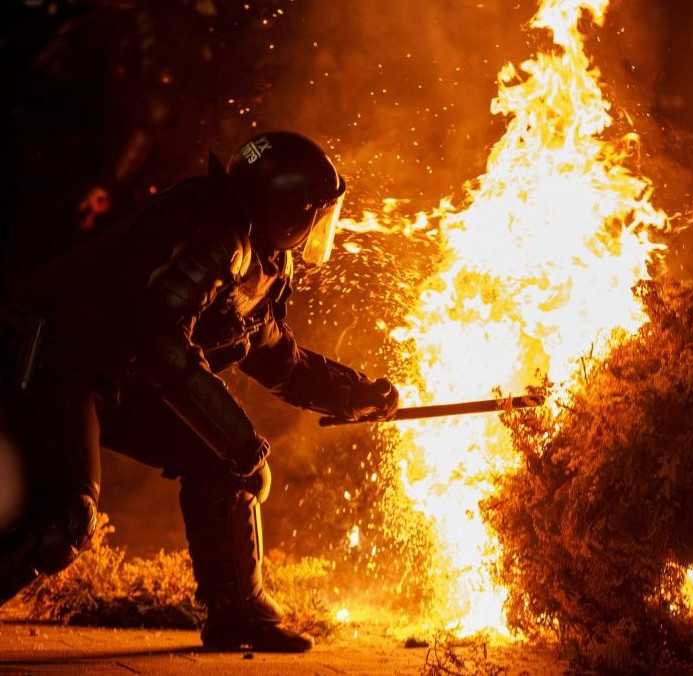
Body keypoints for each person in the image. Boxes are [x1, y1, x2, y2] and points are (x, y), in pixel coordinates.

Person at [0, 131, 399, 652]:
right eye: (315, 215)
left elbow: (279, 358)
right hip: (56, 360)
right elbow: (158, 336)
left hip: (115, 375)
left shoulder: (254, 250)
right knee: (63, 520)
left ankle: (239, 613)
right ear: (286, 210)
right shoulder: (217, 236)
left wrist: (359, 396)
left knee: (222, 461)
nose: (318, 231)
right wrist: (239, 440)